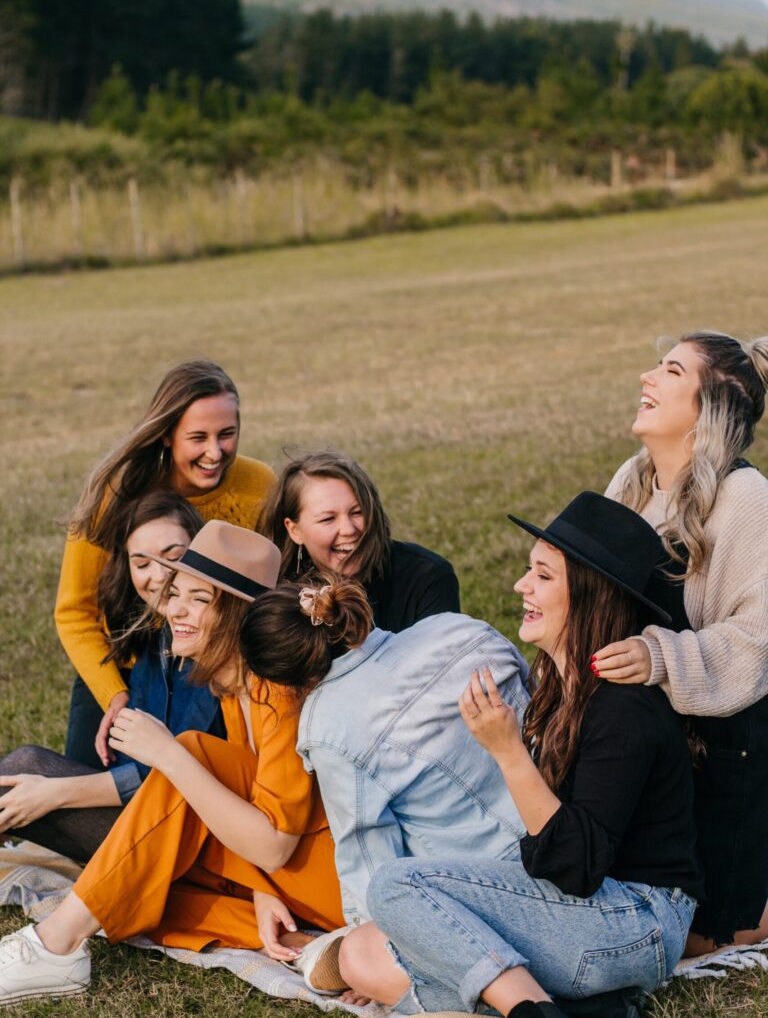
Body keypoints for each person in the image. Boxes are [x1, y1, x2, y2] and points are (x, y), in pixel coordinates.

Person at [316, 494, 703, 1018]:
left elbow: (574, 866)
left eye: (543, 575)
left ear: (593, 594)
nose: (521, 585)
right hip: (590, 915)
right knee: (366, 948)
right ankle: (588, 1014)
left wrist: (506, 751)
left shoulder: (623, 709)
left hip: (636, 923)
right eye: (529, 568)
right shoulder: (559, 684)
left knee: (393, 889)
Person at [0, 522, 344, 1004]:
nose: (175, 609)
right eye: (176, 593)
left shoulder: (279, 692)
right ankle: (305, 947)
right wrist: (264, 892)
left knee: (191, 754)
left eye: (199, 600)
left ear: (239, 615)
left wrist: (167, 754)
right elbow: (253, 807)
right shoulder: (232, 687)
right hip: (286, 877)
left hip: (335, 876)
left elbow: (274, 846)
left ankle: (55, 946)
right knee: (141, 890)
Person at [594, 332, 768, 954]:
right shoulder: (632, 481)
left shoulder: (746, 497)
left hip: (721, 748)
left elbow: (755, 641)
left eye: (670, 370)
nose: (647, 377)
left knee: (702, 936)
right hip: (637, 730)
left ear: (712, 406)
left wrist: (657, 657)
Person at [237, 575, 530, 944]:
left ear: (286, 680)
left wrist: (369, 944)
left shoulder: (327, 726)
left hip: (489, 886)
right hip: (561, 821)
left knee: (347, 959)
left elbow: (370, 857)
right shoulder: (457, 627)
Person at [56, 359, 274, 769]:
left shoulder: (259, 485)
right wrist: (113, 695)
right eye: (198, 437)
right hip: (123, 665)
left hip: (212, 669)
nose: (215, 452)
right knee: (81, 789)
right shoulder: (116, 494)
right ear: (167, 436)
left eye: (227, 434)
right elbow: (74, 613)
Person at [0, 491, 223, 863]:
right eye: (142, 563)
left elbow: (170, 773)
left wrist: (56, 794)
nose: (160, 576)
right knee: (24, 769)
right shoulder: (156, 638)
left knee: (27, 777)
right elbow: (132, 760)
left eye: (174, 557)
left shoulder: (212, 648)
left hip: (194, 841)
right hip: (148, 817)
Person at [258, 451, 460, 633]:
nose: (349, 530)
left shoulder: (426, 576)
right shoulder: (276, 596)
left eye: (358, 512)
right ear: (295, 530)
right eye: (328, 519)